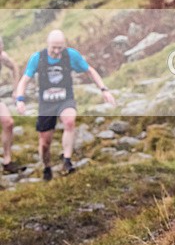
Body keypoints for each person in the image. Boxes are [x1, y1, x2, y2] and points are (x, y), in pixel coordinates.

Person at [14, 30, 116, 181]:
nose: (56, 51)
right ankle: (47, 166)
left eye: (59, 48)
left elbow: (90, 71)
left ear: (64, 45)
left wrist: (104, 90)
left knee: (69, 121)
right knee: (44, 143)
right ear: (47, 45)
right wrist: (20, 99)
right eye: (53, 48)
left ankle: (67, 160)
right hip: (46, 103)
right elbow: (24, 80)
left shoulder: (71, 55)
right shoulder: (38, 58)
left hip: (65, 98)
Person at [0, 35, 25, 174]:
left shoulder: (2, 56)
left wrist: (16, 89)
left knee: (8, 123)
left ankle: (7, 161)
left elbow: (14, 66)